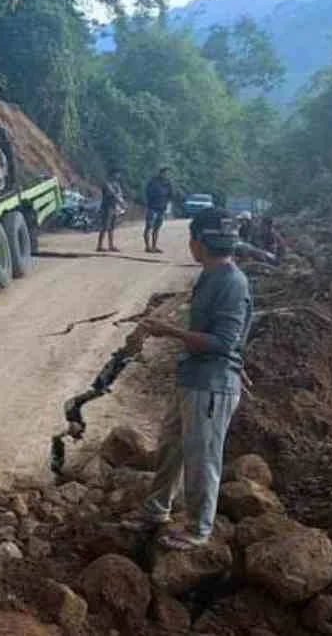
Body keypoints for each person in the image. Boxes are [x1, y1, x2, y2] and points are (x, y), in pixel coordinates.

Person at [121, 207, 253, 550]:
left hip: (211, 385)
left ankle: (198, 528)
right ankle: (156, 509)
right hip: (193, 378)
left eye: (191, 238)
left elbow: (224, 342)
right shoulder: (212, 276)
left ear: (199, 242)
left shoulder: (231, 281)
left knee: (202, 456)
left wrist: (169, 331)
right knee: (171, 447)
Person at [144, 166, 173, 253]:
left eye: (167, 173)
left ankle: (154, 246)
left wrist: (167, 206)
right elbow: (147, 193)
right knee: (149, 226)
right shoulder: (153, 182)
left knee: (157, 228)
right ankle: (147, 246)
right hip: (152, 207)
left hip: (161, 208)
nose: (166, 175)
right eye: (165, 173)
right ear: (161, 173)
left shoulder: (168, 183)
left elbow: (170, 195)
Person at [96, 169, 126, 252]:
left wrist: (121, 202)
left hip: (114, 206)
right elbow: (113, 194)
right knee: (105, 226)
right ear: (112, 174)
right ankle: (100, 245)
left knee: (112, 227)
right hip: (107, 207)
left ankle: (111, 245)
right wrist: (121, 202)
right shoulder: (107, 183)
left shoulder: (116, 184)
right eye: (117, 174)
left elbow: (120, 194)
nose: (118, 176)